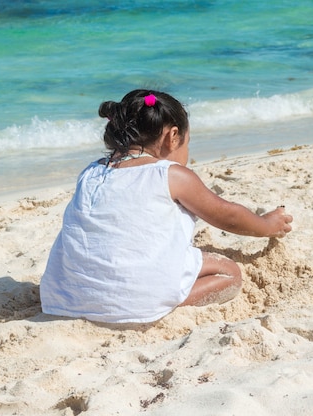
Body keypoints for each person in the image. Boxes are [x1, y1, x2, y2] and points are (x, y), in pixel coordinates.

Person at [39, 89, 293, 323]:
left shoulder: (91, 171)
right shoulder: (171, 175)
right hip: (135, 302)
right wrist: (268, 226)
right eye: (187, 141)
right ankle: (159, 303)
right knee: (229, 274)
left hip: (65, 299)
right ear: (173, 136)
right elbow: (228, 216)